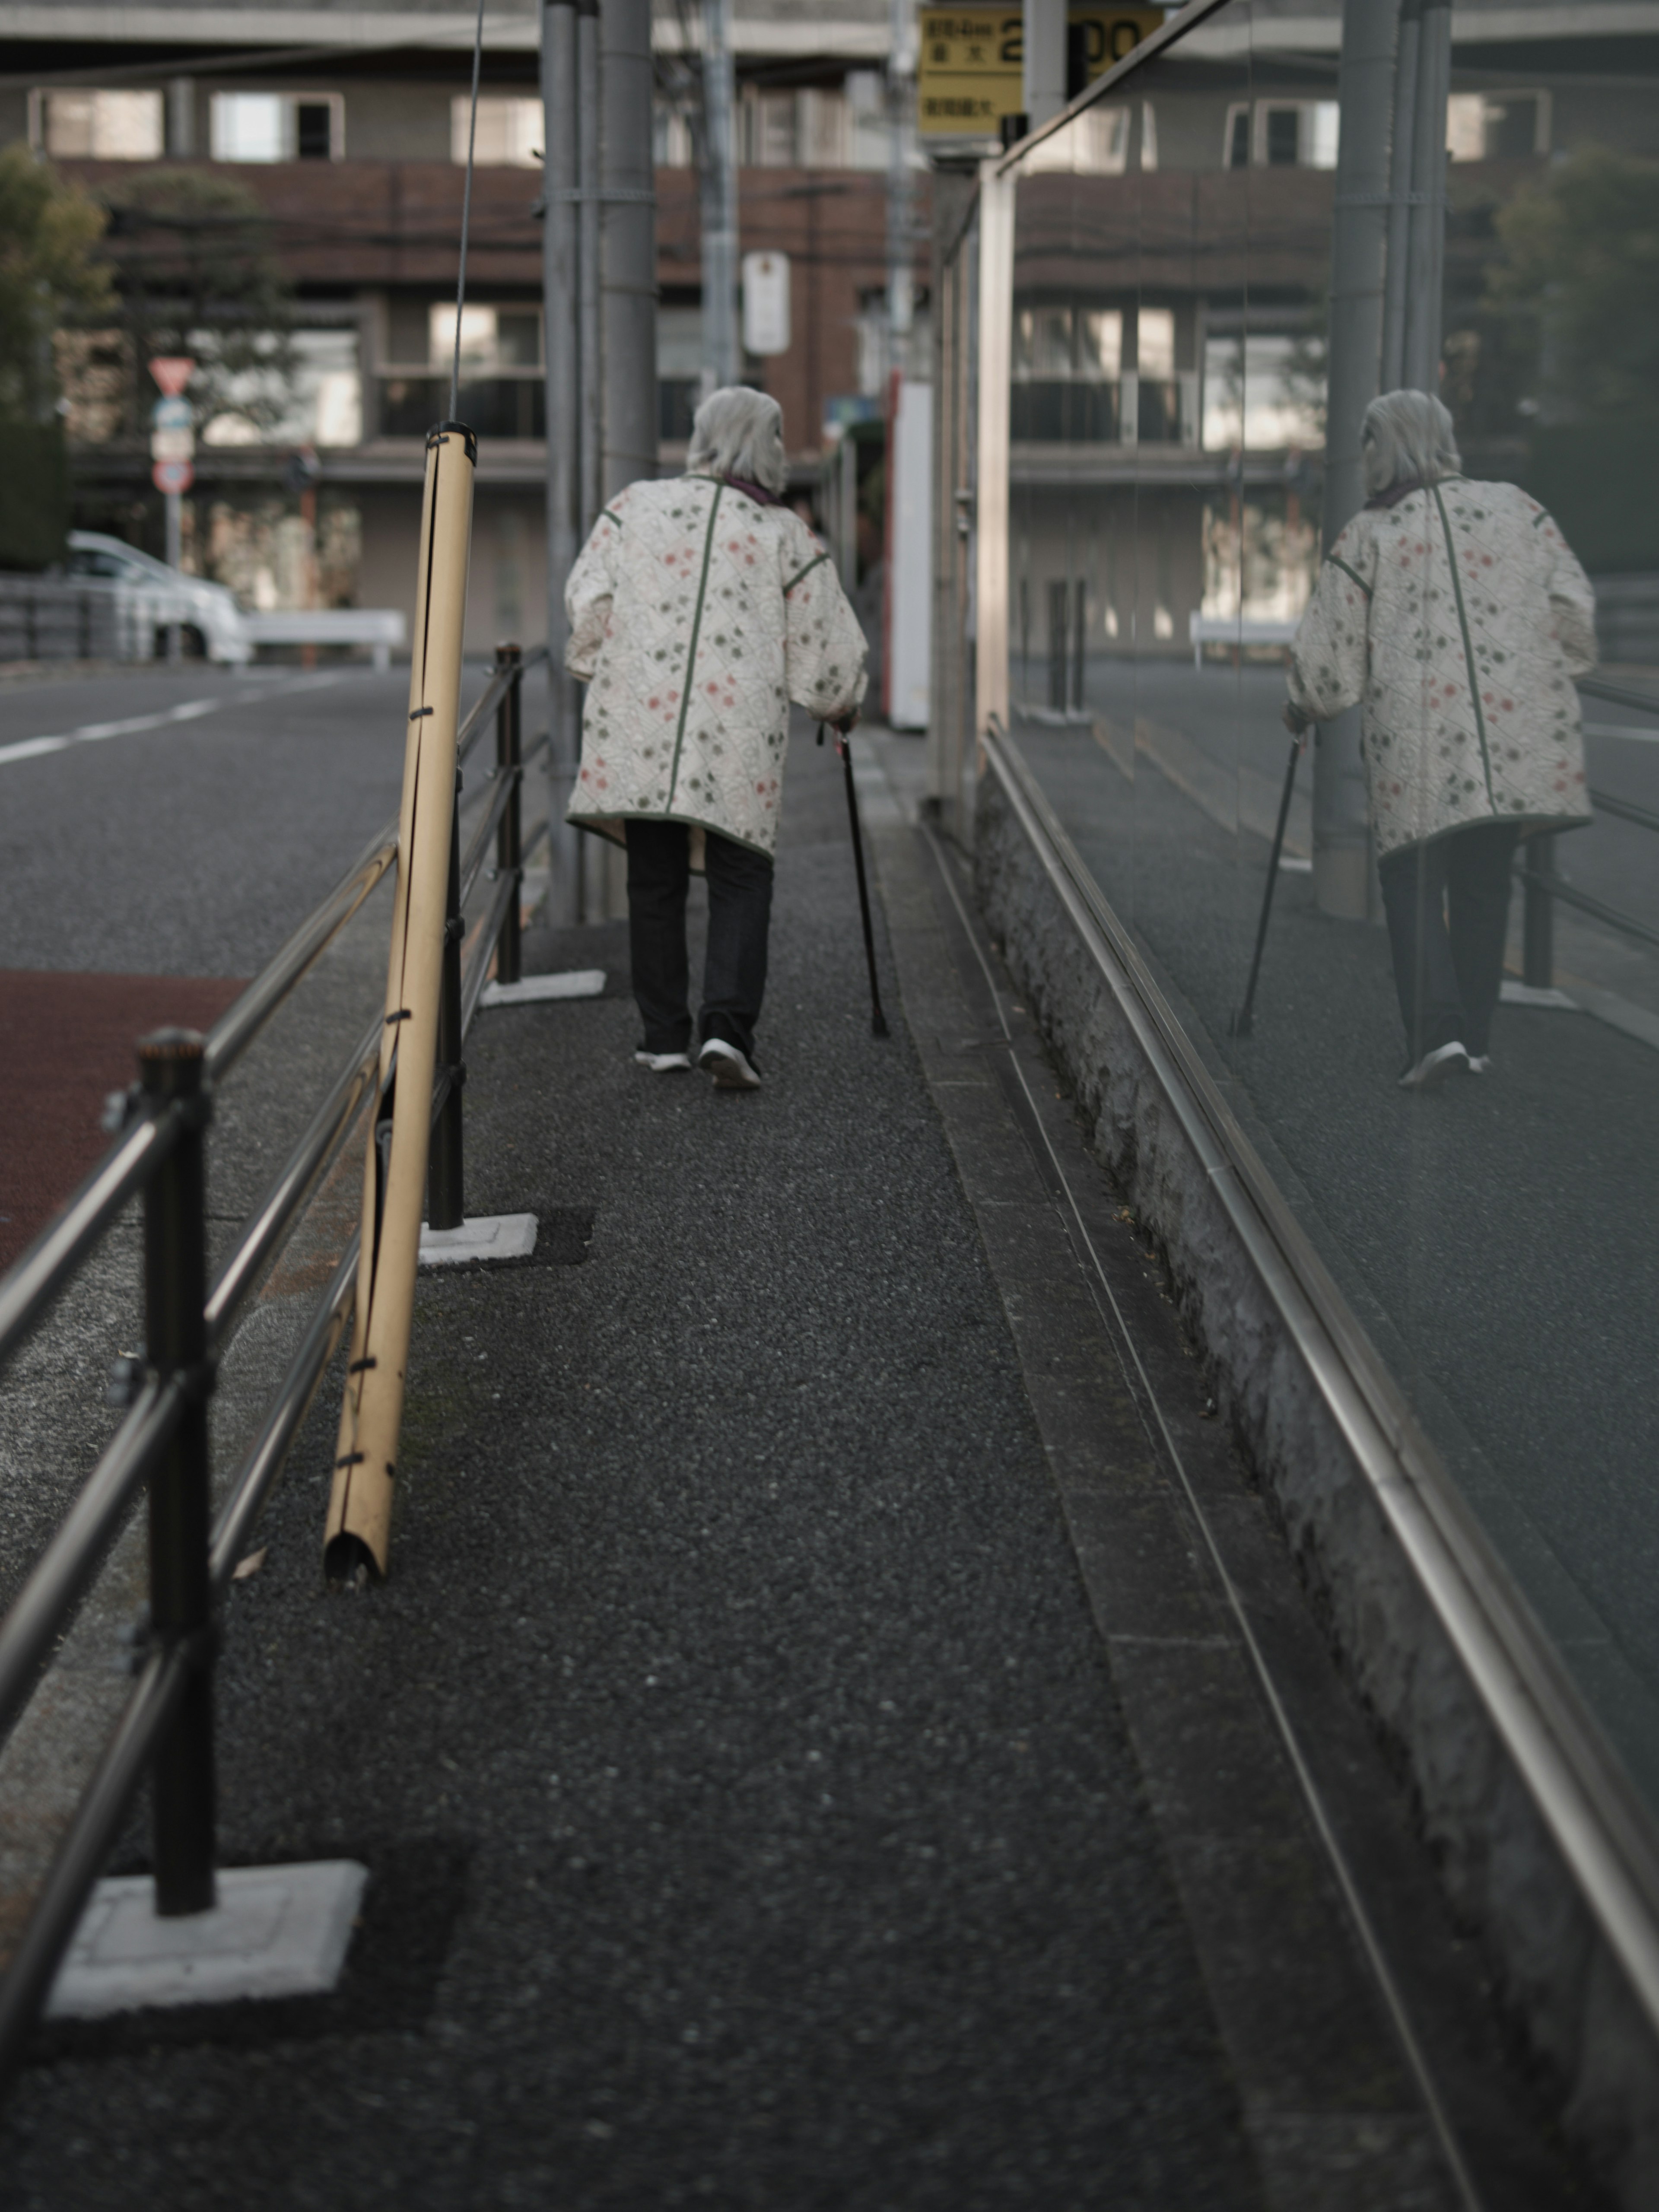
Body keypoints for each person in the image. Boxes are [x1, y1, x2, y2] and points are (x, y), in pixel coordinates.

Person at [1285, 389, 1597, 1088]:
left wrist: (1301, 708)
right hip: (1514, 741)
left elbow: (1327, 655)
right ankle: (1474, 1040)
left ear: (1382, 448)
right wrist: (1552, 668)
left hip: (1419, 744)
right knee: (1485, 880)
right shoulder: (1519, 508)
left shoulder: (1371, 534)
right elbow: (1574, 606)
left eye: (1368, 444)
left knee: (1412, 878)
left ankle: (1436, 1037)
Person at [564, 387, 868, 1091]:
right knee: (741, 875)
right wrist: (840, 705)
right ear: (769, 449)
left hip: (641, 721)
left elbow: (589, 599)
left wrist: (607, 662)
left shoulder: (633, 506)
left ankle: (663, 1036)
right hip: (737, 731)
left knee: (655, 875)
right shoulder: (782, 533)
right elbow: (826, 647)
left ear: (700, 437)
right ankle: (727, 1032)